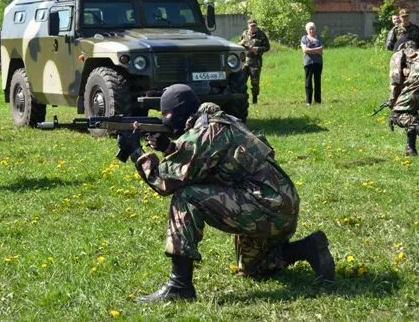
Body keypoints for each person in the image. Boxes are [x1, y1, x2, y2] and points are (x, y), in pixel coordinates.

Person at [116, 84, 335, 303]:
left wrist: (137, 152)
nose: (164, 120)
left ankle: (179, 285)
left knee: (186, 196)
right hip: (279, 204)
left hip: (265, 206)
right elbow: (201, 160)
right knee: (254, 269)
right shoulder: (222, 121)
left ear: (180, 112)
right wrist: (169, 147)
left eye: (166, 114)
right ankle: (308, 248)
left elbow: (164, 181)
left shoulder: (206, 132)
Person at [238, 19, 270, 104]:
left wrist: (258, 49)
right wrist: (240, 43)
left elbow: (267, 47)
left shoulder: (261, 34)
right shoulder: (244, 33)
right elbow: (237, 45)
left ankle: (254, 99)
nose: (252, 27)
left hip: (255, 62)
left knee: (255, 83)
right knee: (241, 81)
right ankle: (241, 99)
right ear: (248, 25)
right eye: (251, 25)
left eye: (254, 25)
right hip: (244, 62)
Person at [300, 22, 324, 105]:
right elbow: (305, 50)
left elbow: (321, 50)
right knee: (308, 82)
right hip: (308, 63)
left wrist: (310, 50)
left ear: (315, 29)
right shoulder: (304, 38)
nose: (311, 30)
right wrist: (316, 50)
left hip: (318, 63)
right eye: (309, 29)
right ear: (307, 30)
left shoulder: (319, 39)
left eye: (312, 28)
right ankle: (308, 101)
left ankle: (317, 101)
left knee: (318, 82)